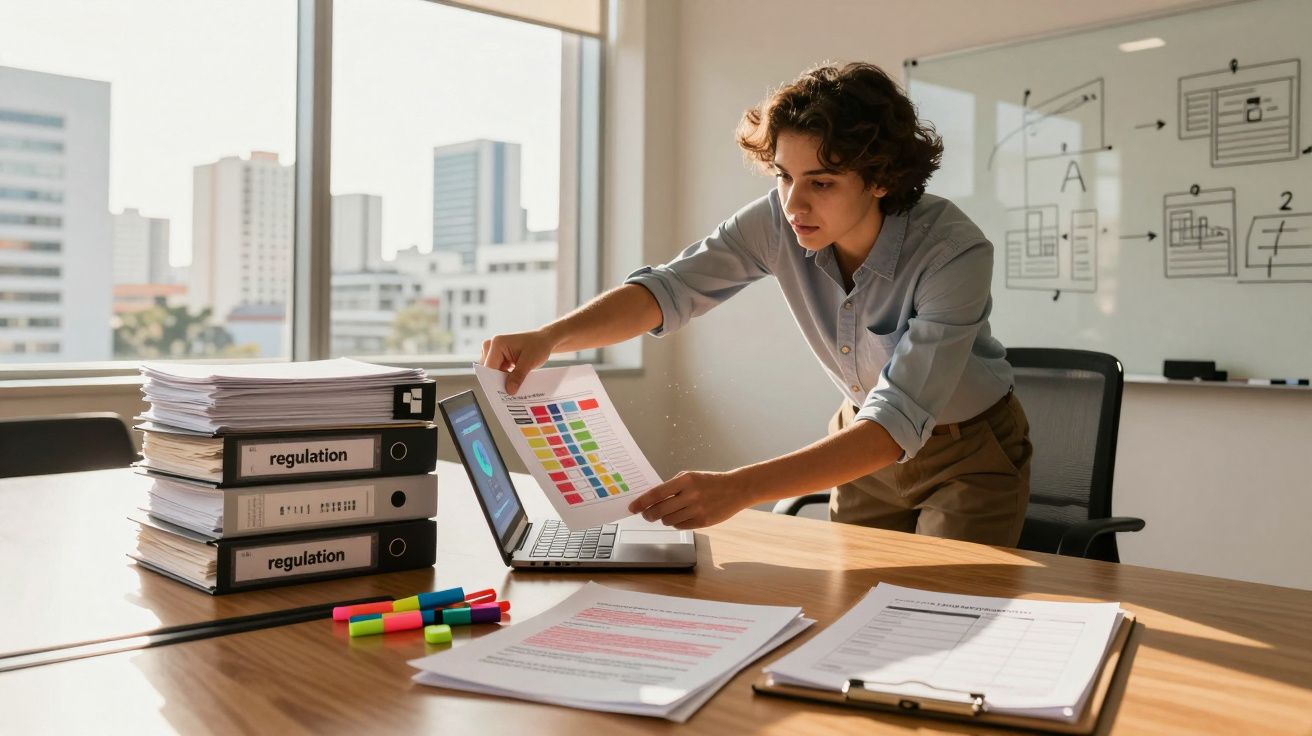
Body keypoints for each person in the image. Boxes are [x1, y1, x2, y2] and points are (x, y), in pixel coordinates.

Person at [480, 62, 1032, 546]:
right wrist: (550, 337)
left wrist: (739, 488)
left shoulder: (953, 253)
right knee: (852, 604)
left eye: (821, 183)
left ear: (881, 180)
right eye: (785, 176)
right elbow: (669, 289)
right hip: (858, 439)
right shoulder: (778, 219)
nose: (794, 204)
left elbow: (897, 420)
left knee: (950, 607)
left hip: (966, 452)